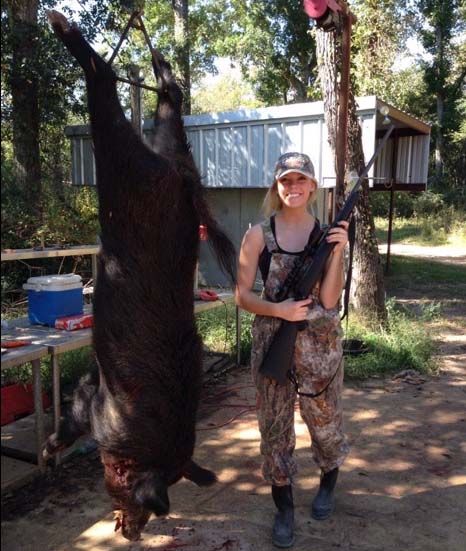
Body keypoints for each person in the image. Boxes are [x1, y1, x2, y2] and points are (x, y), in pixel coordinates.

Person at [235, 152, 350, 548]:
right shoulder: (257, 236)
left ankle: (326, 486)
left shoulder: (329, 235)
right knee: (275, 429)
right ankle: (284, 508)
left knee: (325, 421)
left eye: (301, 180)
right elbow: (241, 296)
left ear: (314, 187)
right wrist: (278, 310)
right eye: (286, 181)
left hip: (320, 347)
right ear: (276, 187)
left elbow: (331, 299)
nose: (293, 187)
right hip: (273, 344)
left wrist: (336, 251)